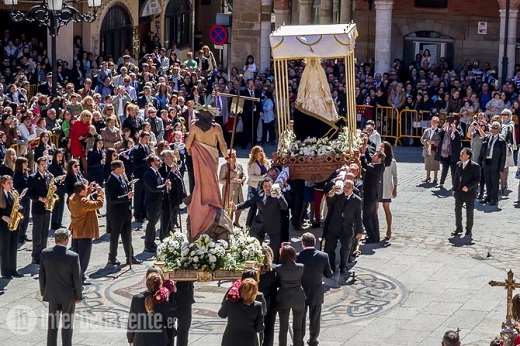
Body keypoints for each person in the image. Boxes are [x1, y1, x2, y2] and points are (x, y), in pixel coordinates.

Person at [185, 106, 231, 240]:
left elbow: (188, 143)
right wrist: (226, 155)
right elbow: (222, 144)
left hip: (200, 157)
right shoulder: (216, 127)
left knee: (201, 181)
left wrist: (190, 150)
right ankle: (212, 200)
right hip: (212, 157)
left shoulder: (194, 126)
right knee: (212, 180)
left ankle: (204, 200)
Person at [39, 229, 82, 346]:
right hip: (68, 296)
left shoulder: (45, 253)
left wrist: (44, 291)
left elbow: (42, 275)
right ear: (67, 240)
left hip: (52, 294)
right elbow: (77, 279)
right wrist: (78, 296)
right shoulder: (73, 256)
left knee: (52, 325)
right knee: (67, 325)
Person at [236, 177, 288, 263]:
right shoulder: (259, 194)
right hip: (259, 224)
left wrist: (279, 195)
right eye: (265, 186)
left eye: (269, 186)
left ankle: (273, 265)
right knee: (253, 245)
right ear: (263, 187)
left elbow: (284, 207)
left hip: (273, 224)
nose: (268, 188)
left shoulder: (278, 195)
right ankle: (254, 262)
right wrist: (236, 207)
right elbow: (248, 203)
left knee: (275, 248)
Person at [296, 233, 333, 346]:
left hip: (301, 291)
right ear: (314, 243)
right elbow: (329, 274)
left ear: (303, 243)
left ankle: (299, 340)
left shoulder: (297, 256)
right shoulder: (323, 256)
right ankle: (313, 340)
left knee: (300, 318)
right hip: (316, 291)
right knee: (315, 318)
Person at [105, 160, 141, 265]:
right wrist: (127, 196)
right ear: (117, 169)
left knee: (127, 236)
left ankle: (130, 256)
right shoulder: (111, 181)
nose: (124, 169)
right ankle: (112, 258)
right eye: (122, 167)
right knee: (115, 236)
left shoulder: (121, 177)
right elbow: (112, 199)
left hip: (125, 212)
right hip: (116, 214)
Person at [68, 181, 104, 284]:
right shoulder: (83, 202)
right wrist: (100, 192)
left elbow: (82, 196)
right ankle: (79, 277)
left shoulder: (72, 197)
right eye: (85, 188)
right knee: (84, 257)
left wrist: (88, 190)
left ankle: (78, 275)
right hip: (85, 231)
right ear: (81, 191)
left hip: (76, 231)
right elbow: (99, 204)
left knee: (77, 255)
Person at [127, 272, 171, 346]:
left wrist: (130, 338)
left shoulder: (137, 299)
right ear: (160, 284)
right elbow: (169, 324)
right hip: (159, 339)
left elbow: (132, 321)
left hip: (140, 339)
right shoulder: (164, 301)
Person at [218, 278, 264, 346]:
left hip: (231, 339)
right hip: (249, 340)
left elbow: (221, 314)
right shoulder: (258, 306)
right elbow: (259, 328)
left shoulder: (230, 302)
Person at [27, 156, 56, 265]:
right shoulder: (32, 177)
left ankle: (43, 253)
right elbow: (29, 194)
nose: (45, 167)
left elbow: (49, 188)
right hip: (38, 208)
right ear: (38, 165)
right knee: (37, 233)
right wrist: (40, 199)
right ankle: (35, 256)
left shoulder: (49, 176)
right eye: (42, 165)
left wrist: (53, 189)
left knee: (45, 232)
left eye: (46, 164)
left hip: (47, 208)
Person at [275, 245, 305, 346]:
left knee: (283, 328)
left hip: (284, 298)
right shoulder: (300, 267)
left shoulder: (279, 268)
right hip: (298, 298)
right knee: (298, 328)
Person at [296, 58, 338, 124]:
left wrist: (327, 95)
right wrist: (300, 98)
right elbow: (302, 86)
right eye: (311, 61)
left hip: (319, 95)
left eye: (314, 61)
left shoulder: (319, 71)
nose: (312, 62)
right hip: (309, 97)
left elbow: (325, 83)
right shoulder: (306, 72)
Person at [143, 154, 170, 252]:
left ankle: (152, 242)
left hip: (158, 202)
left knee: (154, 223)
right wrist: (164, 186)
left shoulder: (157, 172)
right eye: (157, 160)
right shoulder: (148, 174)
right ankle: (148, 244)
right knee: (151, 224)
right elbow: (153, 188)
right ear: (152, 163)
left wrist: (165, 186)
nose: (160, 162)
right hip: (152, 203)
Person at [452, 148, 480, 237]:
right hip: (459, 192)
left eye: (463, 153)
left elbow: (477, 179)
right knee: (457, 210)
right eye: (461, 153)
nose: (460, 154)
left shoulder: (475, 166)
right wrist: (454, 189)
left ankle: (469, 229)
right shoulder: (458, 164)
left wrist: (468, 187)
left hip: (469, 193)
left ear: (468, 156)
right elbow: (456, 177)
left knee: (469, 212)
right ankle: (458, 227)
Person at [359, 146, 385, 243]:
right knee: (373, 216)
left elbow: (365, 165)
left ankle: (372, 236)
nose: (372, 156)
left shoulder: (377, 168)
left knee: (366, 217)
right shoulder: (378, 164)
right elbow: (369, 159)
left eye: (375, 155)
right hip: (372, 194)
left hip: (370, 195)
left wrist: (362, 154)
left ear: (378, 159)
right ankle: (376, 236)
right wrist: (365, 150)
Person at [159, 149, 186, 240]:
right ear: (166, 159)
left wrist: (178, 157)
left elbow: (179, 164)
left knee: (173, 217)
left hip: (176, 196)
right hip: (168, 198)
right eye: (171, 156)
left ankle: (171, 232)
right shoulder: (162, 168)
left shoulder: (172, 165)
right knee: (166, 218)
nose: (173, 157)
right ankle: (164, 236)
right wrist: (172, 172)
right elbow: (166, 180)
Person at [479, 121, 506, 206]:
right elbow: (482, 151)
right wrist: (481, 162)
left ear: (499, 130)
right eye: (492, 127)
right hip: (486, 162)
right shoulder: (487, 138)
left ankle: (495, 199)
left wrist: (501, 169)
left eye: (495, 128)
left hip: (495, 163)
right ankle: (488, 197)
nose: (493, 129)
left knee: (494, 181)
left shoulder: (501, 140)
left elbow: (503, 156)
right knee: (487, 180)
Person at [0, 175, 21, 278]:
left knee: (13, 247)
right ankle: (5, 272)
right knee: (5, 248)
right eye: (8, 183)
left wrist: (18, 207)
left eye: (11, 183)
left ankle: (13, 270)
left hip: (13, 223)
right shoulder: (1, 195)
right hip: (3, 225)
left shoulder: (13, 193)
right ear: (2, 184)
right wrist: (4, 217)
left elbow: (18, 205)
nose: (11, 185)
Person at [219, 149, 245, 228]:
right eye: (232, 156)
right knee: (230, 208)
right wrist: (230, 181)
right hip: (229, 190)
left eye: (235, 156)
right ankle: (229, 223)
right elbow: (221, 180)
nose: (234, 158)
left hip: (238, 188)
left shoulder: (239, 165)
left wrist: (241, 180)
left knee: (240, 206)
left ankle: (236, 222)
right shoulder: (224, 167)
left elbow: (243, 175)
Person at [258, 245, 277, 346]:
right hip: (270, 301)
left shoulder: (255, 270)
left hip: (256, 301)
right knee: (269, 327)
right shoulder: (273, 270)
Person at [379, 141, 398, 240]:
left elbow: (395, 175)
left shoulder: (392, 161)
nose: (380, 148)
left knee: (386, 208)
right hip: (378, 186)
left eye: (382, 146)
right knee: (374, 209)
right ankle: (375, 230)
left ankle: (389, 229)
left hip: (386, 187)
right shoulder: (377, 159)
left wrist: (395, 187)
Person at [13, 157, 30, 243]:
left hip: (27, 198)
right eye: (25, 163)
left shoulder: (26, 173)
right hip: (21, 199)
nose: (27, 165)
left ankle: (24, 234)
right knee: (21, 218)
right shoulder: (17, 175)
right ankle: (19, 235)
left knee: (26, 217)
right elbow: (16, 188)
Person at [420, 116, 441, 184]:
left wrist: (434, 142)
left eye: (435, 122)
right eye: (432, 121)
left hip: (435, 149)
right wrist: (426, 141)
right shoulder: (427, 130)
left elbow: (441, 141)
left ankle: (435, 178)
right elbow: (422, 139)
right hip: (427, 149)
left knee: (435, 164)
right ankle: (427, 177)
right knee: (427, 163)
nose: (433, 123)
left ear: (438, 123)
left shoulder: (440, 131)